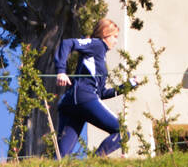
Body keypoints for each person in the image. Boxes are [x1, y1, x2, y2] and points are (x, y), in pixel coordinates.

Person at [54, 18, 134, 158]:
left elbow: (101, 93)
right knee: (122, 132)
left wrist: (126, 86)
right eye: (114, 36)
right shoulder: (97, 45)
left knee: (61, 155)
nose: (116, 41)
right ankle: (95, 161)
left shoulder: (100, 57)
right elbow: (67, 43)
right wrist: (61, 71)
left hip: (72, 103)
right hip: (83, 97)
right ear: (104, 33)